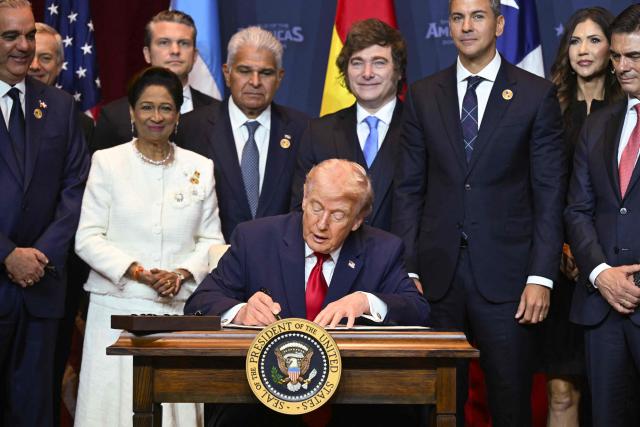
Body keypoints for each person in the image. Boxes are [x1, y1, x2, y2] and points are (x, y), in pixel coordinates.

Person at [391, 0, 566, 425]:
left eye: (478, 16)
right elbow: (410, 190)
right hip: (435, 279)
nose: (466, 26)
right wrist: (408, 270)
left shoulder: (535, 94)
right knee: (434, 404)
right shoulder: (423, 94)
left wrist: (541, 277)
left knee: (510, 402)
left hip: (509, 280)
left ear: (500, 23)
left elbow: (548, 194)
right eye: (457, 17)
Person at [186, 159, 428, 427]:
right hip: (261, 406)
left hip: (352, 405)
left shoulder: (383, 249)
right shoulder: (254, 238)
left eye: (338, 215)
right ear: (303, 199)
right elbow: (199, 302)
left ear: (358, 219)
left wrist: (365, 301)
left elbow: (418, 310)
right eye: (316, 207)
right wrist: (241, 311)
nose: (321, 224)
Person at [74, 67, 224, 427]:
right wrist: (139, 272)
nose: (156, 117)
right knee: (112, 411)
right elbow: (88, 237)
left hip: (176, 309)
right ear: (131, 112)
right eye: (146, 107)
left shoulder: (200, 167)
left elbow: (212, 240)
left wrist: (181, 273)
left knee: (176, 411)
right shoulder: (107, 162)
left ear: (177, 114)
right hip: (116, 308)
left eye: (166, 108)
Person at [0, 1, 90, 426]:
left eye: (29, 36)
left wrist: (39, 254)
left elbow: (75, 189)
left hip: (41, 287)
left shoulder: (59, 106)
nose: (23, 46)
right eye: (10, 36)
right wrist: (7, 254)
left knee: (35, 413)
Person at [546, 7, 622, 427]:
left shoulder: (627, 113)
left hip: (613, 268)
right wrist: (560, 246)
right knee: (561, 391)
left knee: (612, 395)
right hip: (559, 275)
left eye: (594, 40)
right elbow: (537, 191)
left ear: (614, 48)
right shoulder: (547, 109)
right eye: (575, 40)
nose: (584, 50)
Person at [565, 4, 640, 425]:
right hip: (602, 306)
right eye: (617, 56)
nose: (621, 67)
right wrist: (601, 273)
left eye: (634, 56)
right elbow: (577, 208)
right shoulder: (599, 124)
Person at [177, 26, 309, 241]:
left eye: (265, 73)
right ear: (227, 73)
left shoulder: (302, 129)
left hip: (280, 261)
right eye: (245, 71)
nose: (255, 82)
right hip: (212, 263)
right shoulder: (191, 128)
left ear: (279, 77)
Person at [28, 23, 96, 426]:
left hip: (54, 271)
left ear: (62, 65)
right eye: (29, 53)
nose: (35, 64)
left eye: (46, 57)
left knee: (44, 387)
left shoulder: (79, 121)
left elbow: (79, 193)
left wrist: (40, 253)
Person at [290, 19, 405, 232]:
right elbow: (301, 209)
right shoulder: (318, 132)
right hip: (334, 261)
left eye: (379, 62)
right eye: (357, 62)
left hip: (402, 261)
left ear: (398, 71)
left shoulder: (421, 128)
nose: (367, 73)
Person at [90, 9, 218, 152]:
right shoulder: (113, 116)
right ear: (147, 54)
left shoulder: (219, 112)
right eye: (164, 42)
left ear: (194, 56)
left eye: (183, 43)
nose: (175, 50)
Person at [29, 22, 94, 139]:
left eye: (45, 58)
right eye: (28, 56)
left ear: (59, 66)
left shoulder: (80, 125)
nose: (35, 66)